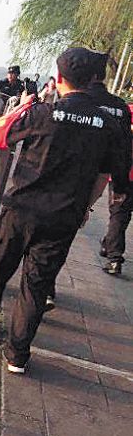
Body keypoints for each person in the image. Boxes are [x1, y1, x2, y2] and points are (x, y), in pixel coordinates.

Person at [0, 47, 130, 374]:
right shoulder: (108, 123)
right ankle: (17, 355)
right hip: (63, 216)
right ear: (93, 79)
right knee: (37, 286)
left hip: (20, 209)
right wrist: (84, 209)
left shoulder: (42, 113)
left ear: (59, 78)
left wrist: (25, 105)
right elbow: (104, 176)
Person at [87, 52, 133, 275]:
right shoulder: (124, 110)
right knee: (122, 213)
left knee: (119, 212)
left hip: (124, 171)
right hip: (123, 170)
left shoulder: (128, 112)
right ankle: (109, 245)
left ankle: (114, 258)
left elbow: (120, 146)